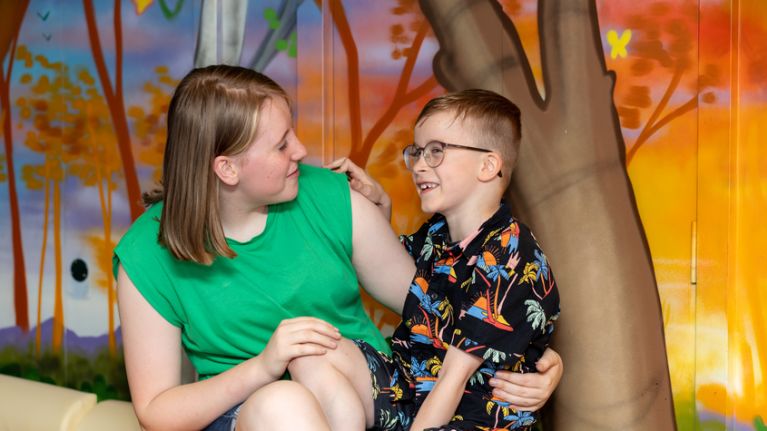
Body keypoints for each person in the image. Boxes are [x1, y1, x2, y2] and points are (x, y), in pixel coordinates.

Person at [113, 65, 562, 431]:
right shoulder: (145, 255)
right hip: (251, 409)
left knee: (309, 360)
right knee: (284, 404)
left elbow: (443, 304)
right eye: (281, 144)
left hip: (361, 396)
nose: (300, 150)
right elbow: (156, 410)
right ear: (227, 169)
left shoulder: (330, 195)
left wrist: (538, 358)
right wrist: (265, 366)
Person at [294, 89, 561, 431]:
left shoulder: (512, 253)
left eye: (436, 152)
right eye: (417, 152)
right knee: (311, 352)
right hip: (413, 392)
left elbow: (454, 377)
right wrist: (379, 206)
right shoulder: (436, 233)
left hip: (471, 416)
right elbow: (397, 268)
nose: (419, 165)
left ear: (488, 165)